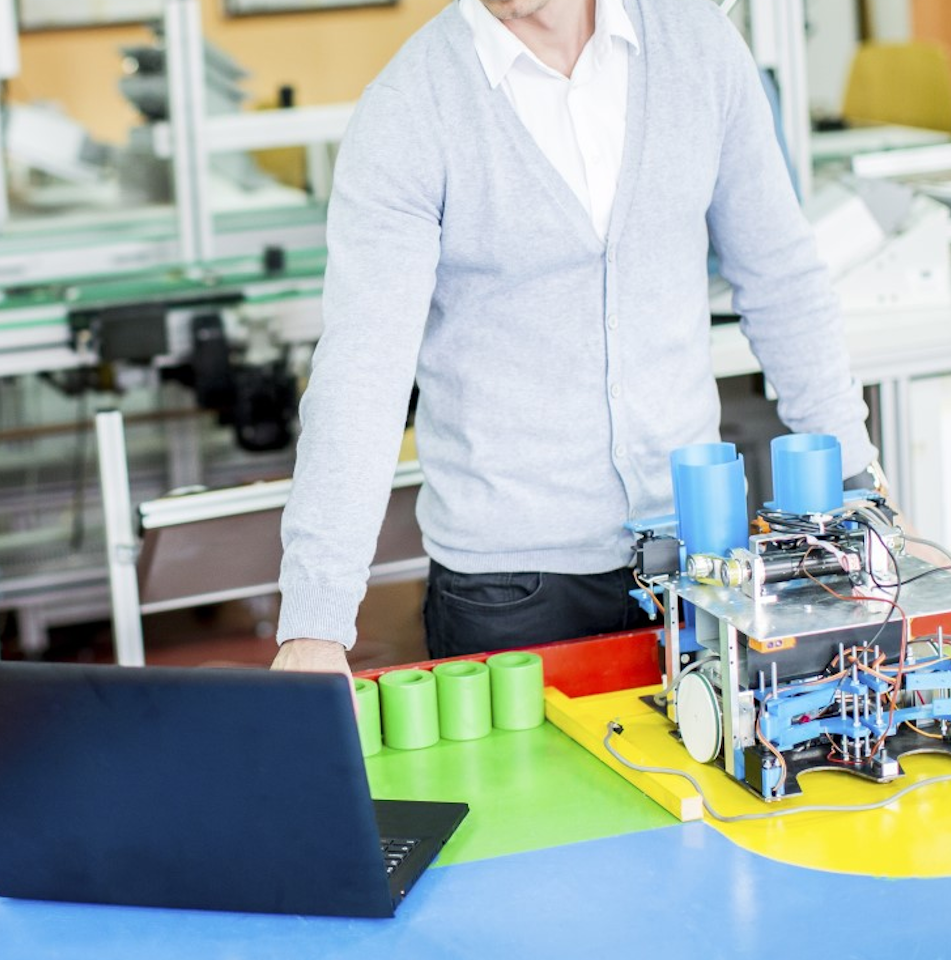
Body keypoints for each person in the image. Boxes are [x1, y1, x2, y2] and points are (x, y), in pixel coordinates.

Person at [271, 0, 877, 682]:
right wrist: (315, 624)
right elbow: (363, 371)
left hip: (698, 557)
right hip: (508, 588)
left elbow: (781, 280)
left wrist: (860, 489)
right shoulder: (409, 107)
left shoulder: (697, 45)